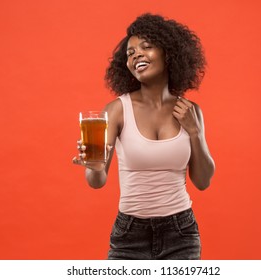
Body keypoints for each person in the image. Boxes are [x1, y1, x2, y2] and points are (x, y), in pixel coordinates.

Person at [73, 13, 215, 260]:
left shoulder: (190, 112)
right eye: (130, 53)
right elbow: (96, 181)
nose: (136, 54)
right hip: (129, 234)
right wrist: (94, 166)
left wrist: (195, 133)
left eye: (146, 47)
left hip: (181, 233)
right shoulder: (117, 110)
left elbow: (203, 182)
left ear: (169, 53)